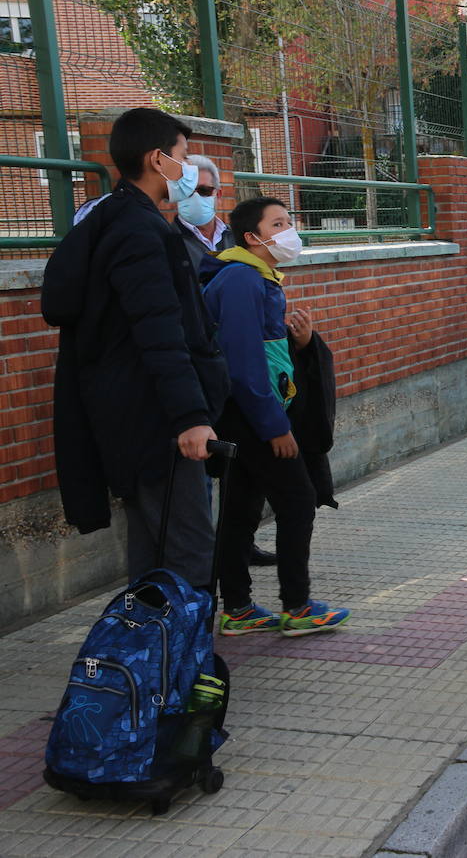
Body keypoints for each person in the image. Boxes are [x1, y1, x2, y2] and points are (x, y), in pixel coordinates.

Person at [41, 107, 230, 587]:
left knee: (153, 549)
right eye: (184, 157)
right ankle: (187, 660)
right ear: (157, 159)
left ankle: (155, 657)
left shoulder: (115, 220)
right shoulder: (138, 232)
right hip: (157, 423)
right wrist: (190, 417)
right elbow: (159, 331)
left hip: (131, 419)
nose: (189, 170)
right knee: (188, 552)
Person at [202, 196, 349, 636]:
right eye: (279, 223)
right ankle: (297, 607)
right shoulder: (241, 281)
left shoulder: (254, 279)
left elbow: (262, 351)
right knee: (297, 500)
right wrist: (275, 427)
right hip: (248, 417)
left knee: (241, 509)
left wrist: (299, 344)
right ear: (253, 238)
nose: (290, 231)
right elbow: (246, 367)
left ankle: (238, 609)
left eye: (290, 221)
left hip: (244, 414)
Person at [174, 155, 279, 569]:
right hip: (196, 368)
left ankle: (238, 547)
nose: (196, 199)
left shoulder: (231, 240)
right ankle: (207, 564)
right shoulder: (166, 237)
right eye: (188, 191)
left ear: (218, 193)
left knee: (240, 475)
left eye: (204, 191)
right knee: (201, 470)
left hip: (230, 370)